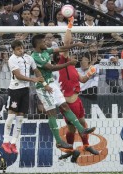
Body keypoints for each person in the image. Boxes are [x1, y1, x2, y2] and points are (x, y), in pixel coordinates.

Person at [31, 19, 96, 151]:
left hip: (53, 85)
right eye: (43, 42)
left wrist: (75, 44)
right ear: (38, 44)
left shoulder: (45, 52)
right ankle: (59, 141)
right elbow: (50, 67)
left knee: (65, 107)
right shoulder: (35, 57)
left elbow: (62, 47)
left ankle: (82, 130)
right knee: (52, 113)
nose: (46, 43)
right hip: (43, 87)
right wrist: (68, 63)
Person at [57, 18, 99, 163]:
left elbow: (82, 80)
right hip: (68, 104)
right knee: (73, 128)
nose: (74, 57)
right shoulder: (63, 63)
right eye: (72, 55)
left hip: (77, 101)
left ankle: (84, 146)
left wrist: (89, 73)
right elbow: (67, 44)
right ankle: (71, 149)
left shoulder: (73, 69)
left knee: (82, 124)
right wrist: (70, 25)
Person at [1, 40, 47, 154]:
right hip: (15, 91)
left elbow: (36, 71)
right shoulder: (12, 60)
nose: (21, 50)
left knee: (20, 119)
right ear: (13, 50)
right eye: (18, 49)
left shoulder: (29, 58)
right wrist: (33, 80)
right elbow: (18, 75)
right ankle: (5, 141)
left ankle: (13, 143)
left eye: (21, 48)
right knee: (11, 117)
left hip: (25, 91)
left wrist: (45, 84)